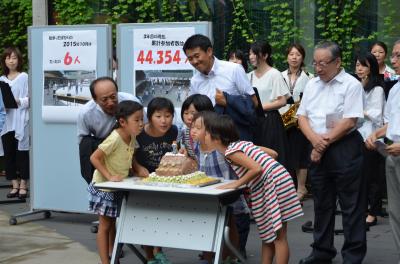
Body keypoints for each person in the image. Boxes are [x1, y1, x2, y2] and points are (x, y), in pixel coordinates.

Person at [297, 41, 366, 264]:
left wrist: (322, 145)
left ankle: (353, 256)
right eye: (315, 63)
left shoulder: (351, 85)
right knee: (322, 203)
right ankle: (321, 251)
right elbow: (302, 117)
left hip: (344, 148)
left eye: (323, 63)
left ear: (337, 62)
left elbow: (349, 121)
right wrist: (315, 142)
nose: (318, 68)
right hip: (316, 144)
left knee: (351, 205)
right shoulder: (312, 84)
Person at [201, 112, 302, 264]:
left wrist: (237, 183)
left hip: (272, 184)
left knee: (279, 237)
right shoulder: (243, 144)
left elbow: (256, 169)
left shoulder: (230, 152)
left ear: (216, 137)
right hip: (281, 179)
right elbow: (273, 154)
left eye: (206, 132)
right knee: (270, 233)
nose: (204, 136)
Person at [88, 101, 144, 264]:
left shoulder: (132, 137)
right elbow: (94, 158)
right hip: (104, 188)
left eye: (142, 119)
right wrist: (109, 176)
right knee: (105, 225)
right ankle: (105, 261)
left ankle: (113, 257)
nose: (141, 124)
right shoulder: (115, 138)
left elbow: (130, 156)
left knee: (112, 223)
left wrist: (138, 169)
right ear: (122, 122)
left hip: (117, 186)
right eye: (137, 120)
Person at [183, 34, 257, 141]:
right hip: (209, 139)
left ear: (209, 51)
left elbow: (253, 102)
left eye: (197, 56)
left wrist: (228, 101)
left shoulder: (234, 70)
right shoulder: (195, 81)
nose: (194, 61)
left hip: (236, 136)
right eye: (190, 58)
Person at [366, 39, 400, 263]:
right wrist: (376, 134)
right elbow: (391, 122)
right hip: (392, 156)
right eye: (394, 55)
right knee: (396, 214)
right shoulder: (396, 88)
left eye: (398, 55)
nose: (393, 60)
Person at [132, 97, 177, 264]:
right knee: (148, 218)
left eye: (168, 116)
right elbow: (130, 155)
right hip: (143, 182)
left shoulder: (173, 131)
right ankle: (150, 256)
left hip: (165, 182)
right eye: (158, 116)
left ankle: (158, 252)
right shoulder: (140, 133)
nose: (164, 121)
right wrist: (137, 168)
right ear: (149, 117)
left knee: (163, 218)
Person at [77, 76, 141, 184]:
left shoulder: (131, 102)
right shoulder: (86, 113)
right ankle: (94, 184)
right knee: (86, 144)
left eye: (113, 97)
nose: (111, 102)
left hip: (128, 143)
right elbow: (83, 142)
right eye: (104, 99)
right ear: (95, 99)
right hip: (102, 145)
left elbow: (144, 125)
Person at [247, 40, 291, 171]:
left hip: (270, 121)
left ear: (265, 56)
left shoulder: (274, 74)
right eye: (250, 53)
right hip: (253, 121)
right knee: (255, 156)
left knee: (272, 156)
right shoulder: (248, 76)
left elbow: (282, 100)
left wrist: (260, 107)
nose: (251, 57)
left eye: (255, 53)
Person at [355, 52, 386, 227]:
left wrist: (358, 110)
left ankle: (373, 212)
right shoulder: (357, 85)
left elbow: (377, 115)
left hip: (371, 136)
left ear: (371, 68)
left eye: (363, 65)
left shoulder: (377, 89)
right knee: (360, 175)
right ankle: (363, 209)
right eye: (357, 65)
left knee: (372, 176)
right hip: (357, 135)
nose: (359, 68)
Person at [282, 43, 313, 201]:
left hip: (300, 121)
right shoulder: (279, 75)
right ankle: (289, 188)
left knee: (301, 155)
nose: (294, 57)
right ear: (287, 57)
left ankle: (301, 188)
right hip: (283, 120)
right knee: (286, 154)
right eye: (291, 54)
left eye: (298, 55)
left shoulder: (310, 77)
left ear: (302, 58)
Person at [0, 47, 29, 199]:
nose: (11, 61)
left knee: (22, 153)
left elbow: (30, 98)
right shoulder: (1, 79)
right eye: (8, 58)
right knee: (8, 153)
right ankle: (14, 184)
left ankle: (23, 184)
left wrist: (19, 101)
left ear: (19, 60)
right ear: (4, 61)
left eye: (14, 58)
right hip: (5, 121)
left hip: (20, 119)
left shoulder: (24, 77)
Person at [178, 94, 214, 160]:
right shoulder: (185, 132)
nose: (189, 117)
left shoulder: (214, 134)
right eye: (186, 113)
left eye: (193, 113)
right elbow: (190, 154)